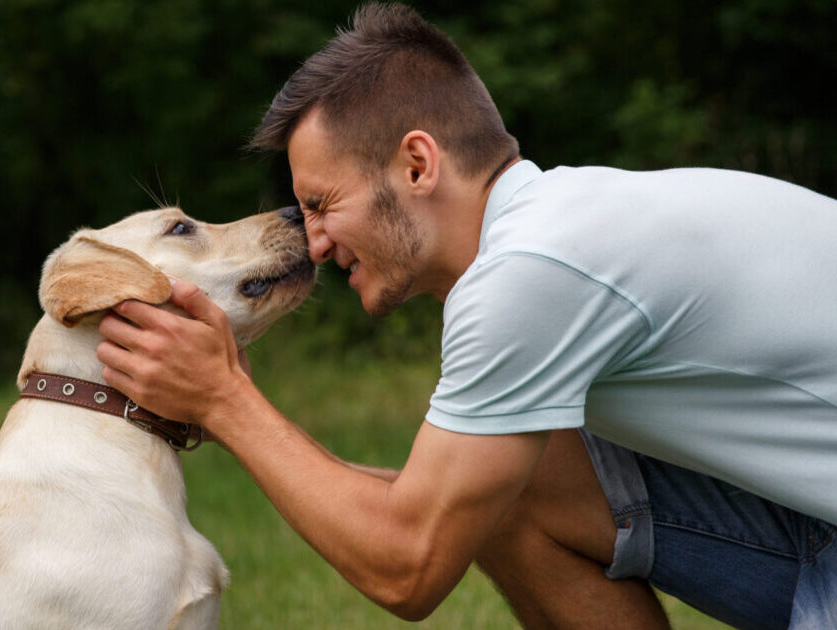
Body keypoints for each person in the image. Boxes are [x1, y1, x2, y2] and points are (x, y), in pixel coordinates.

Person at [96, 3, 837, 628]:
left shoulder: (531, 274)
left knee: (475, 504)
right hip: (810, 519)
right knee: (504, 490)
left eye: (322, 205)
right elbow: (440, 505)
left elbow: (407, 567)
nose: (313, 243)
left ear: (418, 165)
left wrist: (226, 401)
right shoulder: (562, 227)